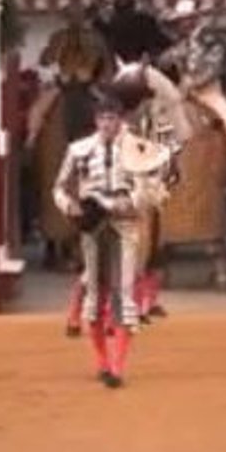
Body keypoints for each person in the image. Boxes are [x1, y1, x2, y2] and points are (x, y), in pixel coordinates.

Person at [54, 88, 173, 343]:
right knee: (95, 274)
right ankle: (77, 314)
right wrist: (71, 206)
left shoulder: (137, 143)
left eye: (113, 118)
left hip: (129, 213)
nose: (109, 123)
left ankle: (112, 317)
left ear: (121, 118)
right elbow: (62, 187)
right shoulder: (86, 148)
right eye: (103, 118)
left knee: (129, 269)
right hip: (97, 215)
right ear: (98, 120)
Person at [160, 0, 226, 177]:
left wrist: (193, 81)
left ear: (193, 20)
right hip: (183, 93)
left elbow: (215, 66)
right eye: (179, 21)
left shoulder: (211, 40)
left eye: (185, 20)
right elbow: (165, 60)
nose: (182, 25)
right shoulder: (181, 45)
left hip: (209, 91)